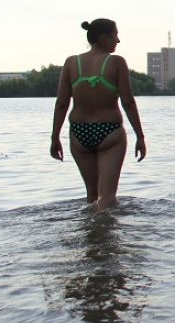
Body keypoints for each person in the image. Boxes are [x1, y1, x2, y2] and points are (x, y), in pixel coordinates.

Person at [51, 18, 147, 211]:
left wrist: (55, 138)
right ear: (104, 38)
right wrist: (140, 136)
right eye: (115, 35)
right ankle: (105, 236)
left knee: (92, 196)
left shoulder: (72, 63)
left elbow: (62, 103)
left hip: (79, 133)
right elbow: (128, 102)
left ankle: (91, 237)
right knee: (108, 198)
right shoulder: (116, 62)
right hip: (109, 131)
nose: (118, 40)